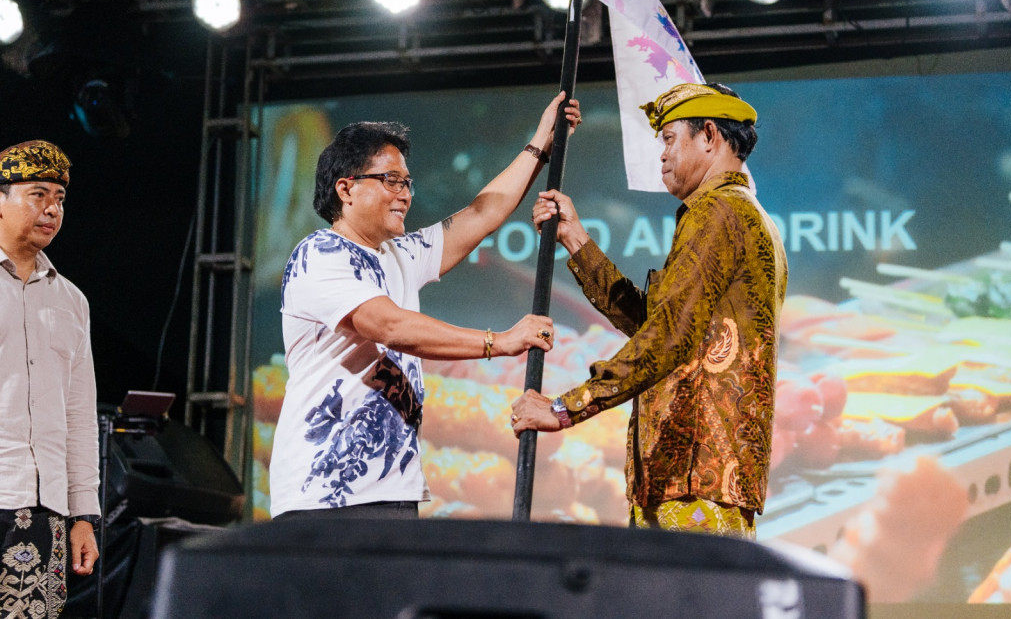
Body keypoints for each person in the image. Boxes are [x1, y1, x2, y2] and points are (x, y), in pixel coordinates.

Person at [270, 92, 581, 520]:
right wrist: (499, 341)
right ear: (346, 188)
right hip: (326, 498)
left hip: (393, 492)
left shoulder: (398, 255)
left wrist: (541, 143)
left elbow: (481, 214)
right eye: (391, 181)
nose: (405, 195)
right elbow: (389, 326)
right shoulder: (320, 254)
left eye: (407, 183)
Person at [511, 83, 787, 538]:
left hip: (693, 476)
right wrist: (575, 240)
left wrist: (565, 408)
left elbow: (667, 336)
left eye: (670, 139)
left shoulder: (718, 211)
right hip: (692, 477)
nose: (662, 155)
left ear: (709, 135)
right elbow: (657, 327)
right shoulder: (744, 214)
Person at [0, 140, 101, 616]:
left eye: (59, 198)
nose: (52, 209)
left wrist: (84, 515)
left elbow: (79, 416)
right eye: (37, 194)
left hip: (45, 510)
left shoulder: (72, 301)